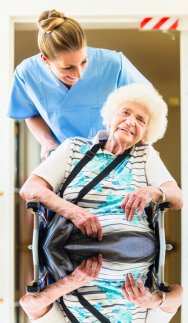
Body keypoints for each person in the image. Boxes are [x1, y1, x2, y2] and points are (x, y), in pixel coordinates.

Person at [19, 84, 183, 322]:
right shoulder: (74, 148)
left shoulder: (145, 155)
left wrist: (154, 191)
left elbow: (177, 198)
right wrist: (73, 212)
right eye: (125, 112)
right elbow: (30, 189)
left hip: (130, 250)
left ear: (146, 134)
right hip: (68, 248)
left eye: (141, 119)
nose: (130, 121)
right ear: (110, 117)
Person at [7, 9, 151, 160]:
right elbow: (30, 113)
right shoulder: (27, 73)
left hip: (114, 155)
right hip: (63, 157)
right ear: (45, 60)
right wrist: (48, 144)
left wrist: (142, 145)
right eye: (68, 67)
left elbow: (147, 102)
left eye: (84, 61)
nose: (80, 74)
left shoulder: (113, 64)